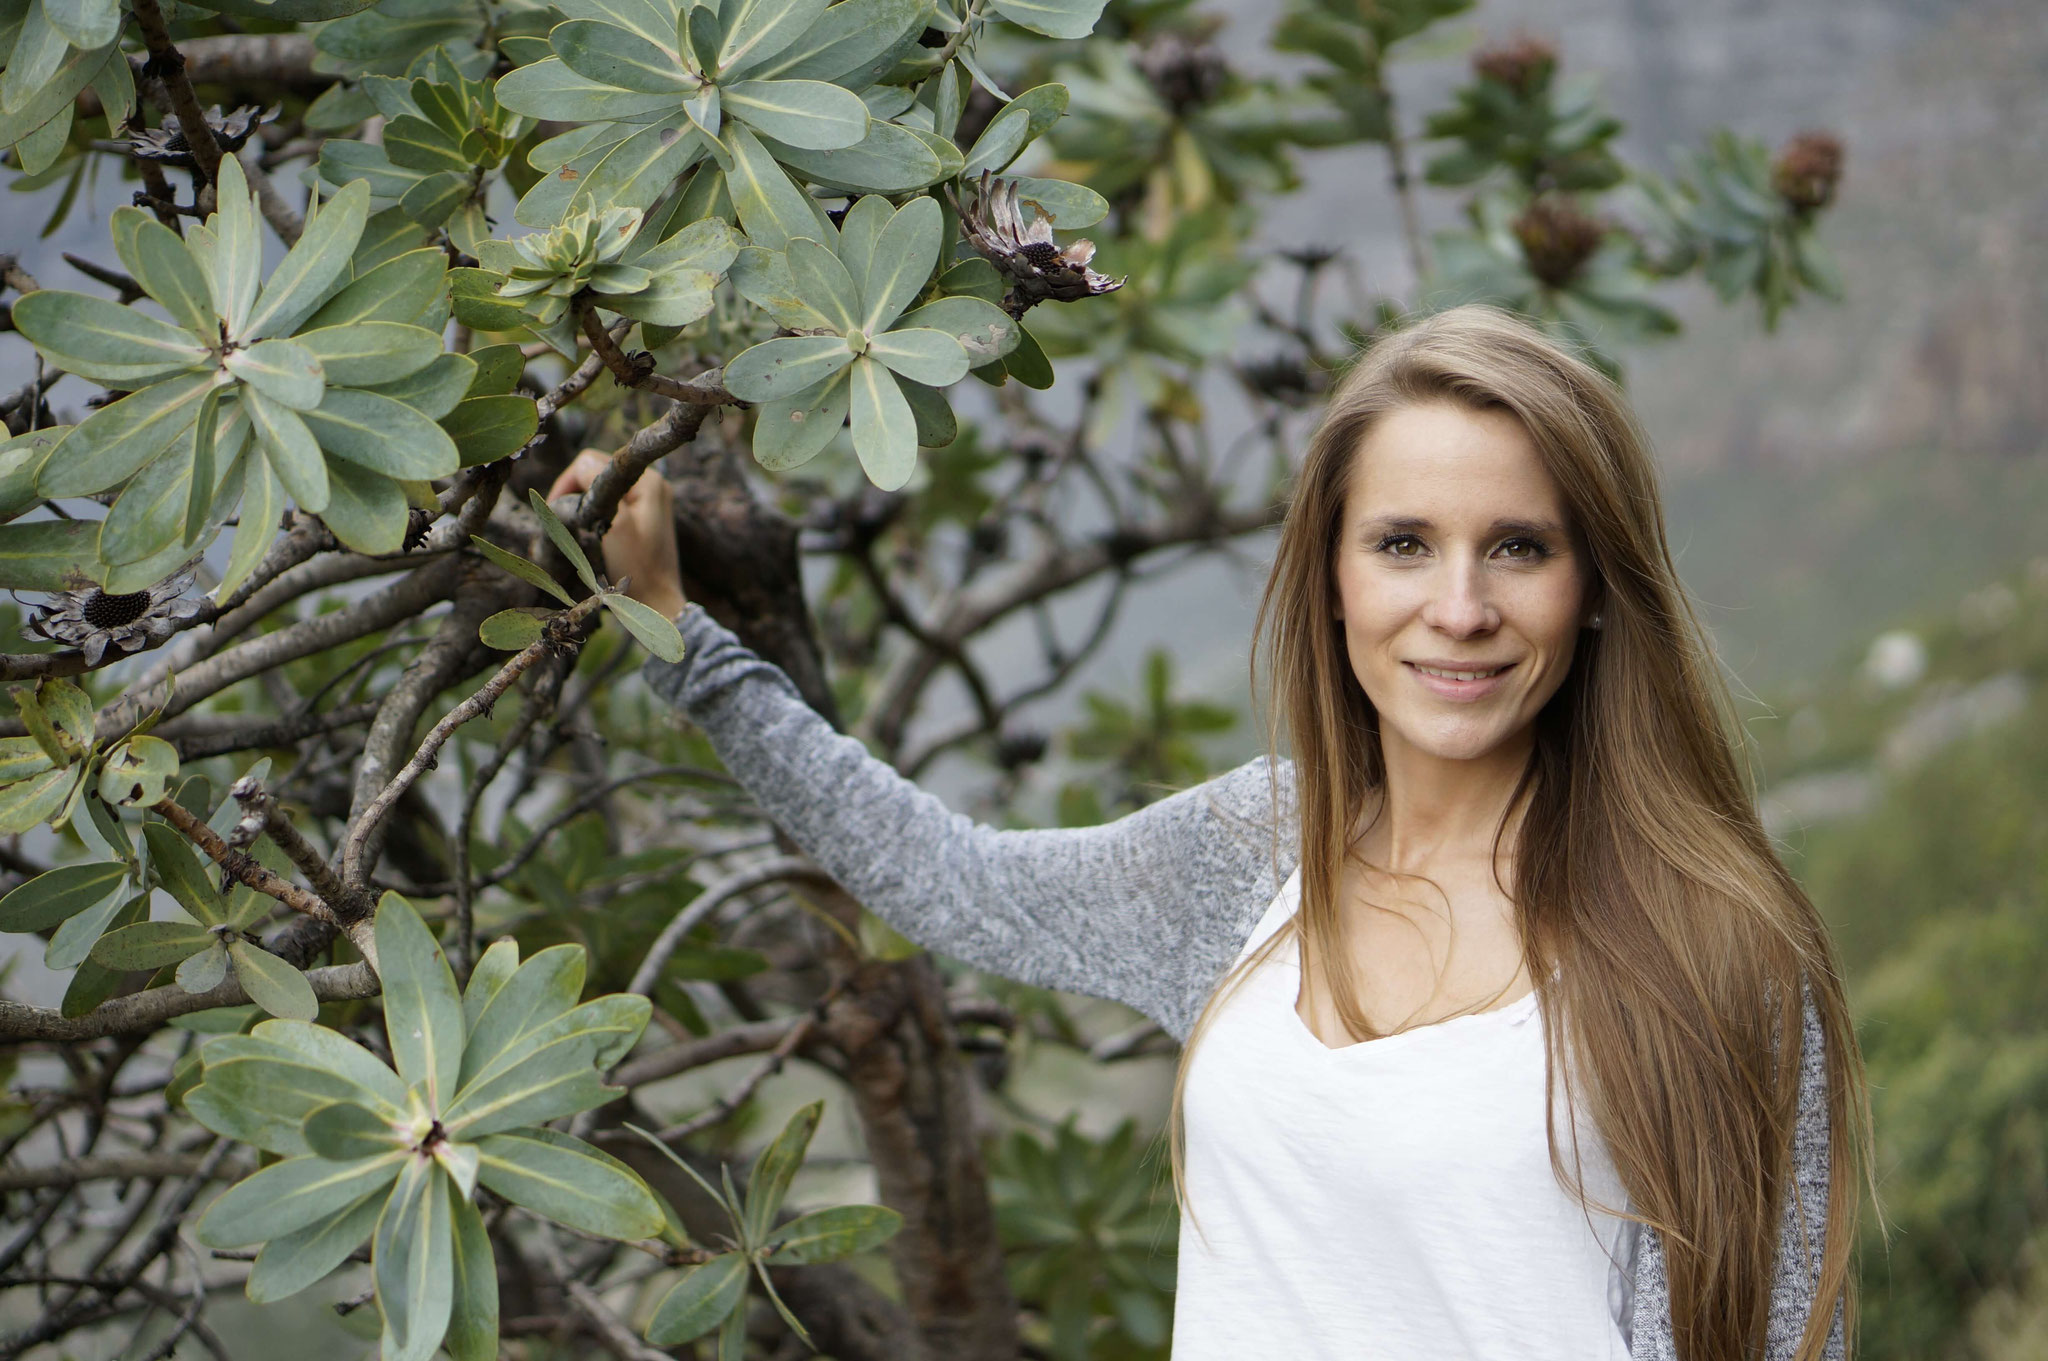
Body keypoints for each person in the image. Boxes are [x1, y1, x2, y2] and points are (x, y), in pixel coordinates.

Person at [547, 302, 1873, 1360]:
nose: (1458, 608)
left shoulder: (1711, 946)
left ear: (1593, 589)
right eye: (1405, 543)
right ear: (1334, 576)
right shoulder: (1256, 850)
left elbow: (1770, 1335)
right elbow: (959, 882)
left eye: (1518, 547)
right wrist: (677, 639)